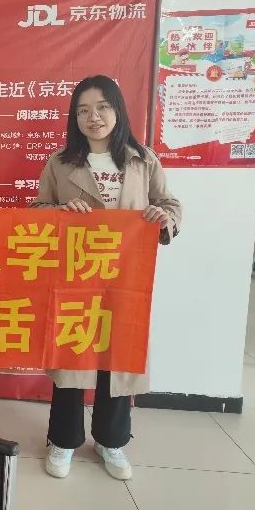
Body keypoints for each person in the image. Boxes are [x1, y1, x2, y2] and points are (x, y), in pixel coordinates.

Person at [31, 75, 182, 480]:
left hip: (125, 277)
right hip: (76, 277)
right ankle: (63, 440)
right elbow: (38, 211)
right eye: (83, 110)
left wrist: (162, 217)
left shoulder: (142, 159)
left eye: (101, 107)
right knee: (70, 359)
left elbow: (169, 204)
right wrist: (60, 213)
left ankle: (111, 440)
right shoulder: (60, 161)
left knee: (119, 358)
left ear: (117, 110)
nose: (93, 117)